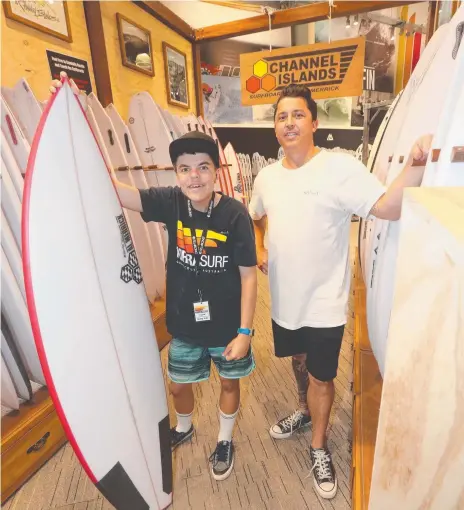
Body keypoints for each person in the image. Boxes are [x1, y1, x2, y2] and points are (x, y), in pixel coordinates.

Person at [50, 73, 258, 481]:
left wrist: (245, 331)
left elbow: (249, 277)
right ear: (175, 173)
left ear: (216, 171)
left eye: (202, 167)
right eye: (184, 169)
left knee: (228, 385)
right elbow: (117, 190)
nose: (193, 176)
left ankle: (225, 438)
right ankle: (184, 426)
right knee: (180, 385)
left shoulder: (234, 215)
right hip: (183, 322)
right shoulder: (170, 202)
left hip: (228, 326)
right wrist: (74, 116)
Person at [248, 84, 432, 499]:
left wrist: (416, 164)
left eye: (298, 115)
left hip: (325, 301)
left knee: (322, 375)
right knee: (298, 361)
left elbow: (387, 206)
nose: (289, 122)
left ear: (314, 122)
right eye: (281, 117)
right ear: (275, 129)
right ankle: (301, 410)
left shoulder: (338, 169)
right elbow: (254, 214)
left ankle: (318, 444)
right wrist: (260, 243)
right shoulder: (267, 177)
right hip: (284, 299)